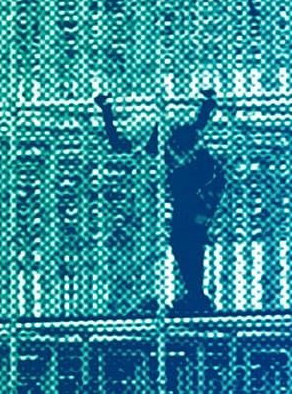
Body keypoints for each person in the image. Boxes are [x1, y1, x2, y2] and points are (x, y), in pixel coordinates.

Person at [97, 89, 226, 315]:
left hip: (204, 184)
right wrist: (106, 111)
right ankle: (194, 296)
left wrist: (207, 103)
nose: (150, 152)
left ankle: (195, 297)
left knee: (187, 240)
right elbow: (118, 143)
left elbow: (199, 123)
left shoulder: (178, 131)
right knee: (182, 241)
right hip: (189, 189)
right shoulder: (148, 134)